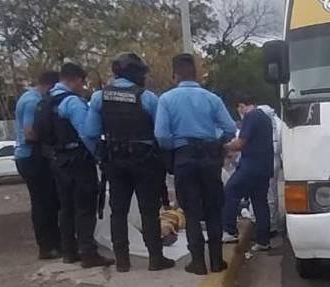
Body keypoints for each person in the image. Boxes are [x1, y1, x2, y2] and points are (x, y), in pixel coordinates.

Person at [84, 52, 174, 273]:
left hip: (114, 161)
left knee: (118, 211)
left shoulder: (99, 97)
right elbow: (161, 133)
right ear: (135, 73)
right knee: (149, 211)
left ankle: (122, 261)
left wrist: (101, 155)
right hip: (145, 161)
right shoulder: (148, 98)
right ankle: (155, 258)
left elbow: (89, 133)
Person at [155, 53, 237, 275]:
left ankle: (198, 263)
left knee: (191, 212)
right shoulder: (212, 98)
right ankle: (217, 261)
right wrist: (215, 140)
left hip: (184, 157)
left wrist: (179, 144)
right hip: (210, 158)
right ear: (196, 75)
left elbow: (161, 136)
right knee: (213, 209)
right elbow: (230, 128)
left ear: (175, 76)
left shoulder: (166, 99)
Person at [45, 63, 114, 268]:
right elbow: (87, 133)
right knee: (85, 207)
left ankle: (69, 251)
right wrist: (99, 156)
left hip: (57, 159)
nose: (83, 87)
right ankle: (88, 253)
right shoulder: (72, 102)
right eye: (82, 83)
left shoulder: (47, 100)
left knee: (66, 207)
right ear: (74, 79)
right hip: (78, 160)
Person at [15, 70, 61, 260]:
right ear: (50, 86)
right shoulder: (34, 102)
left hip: (29, 156)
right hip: (32, 157)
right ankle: (47, 246)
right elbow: (30, 133)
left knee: (50, 200)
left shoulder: (28, 97)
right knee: (43, 202)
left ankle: (54, 243)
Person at [222, 96, 274, 252]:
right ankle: (263, 240)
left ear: (241, 106)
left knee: (231, 190)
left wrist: (223, 147)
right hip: (264, 166)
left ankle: (230, 231)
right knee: (260, 202)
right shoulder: (264, 117)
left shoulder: (251, 116)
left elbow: (240, 143)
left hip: (250, 166)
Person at [258, 104, 283, 237]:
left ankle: (271, 225)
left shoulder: (264, 122)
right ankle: (274, 222)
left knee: (268, 194)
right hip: (275, 159)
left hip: (266, 159)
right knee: (272, 193)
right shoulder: (278, 123)